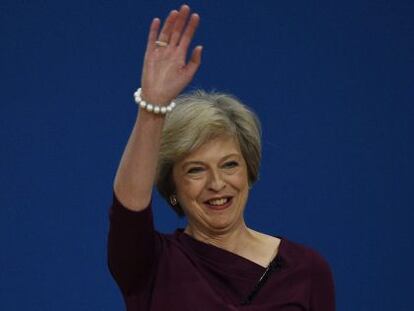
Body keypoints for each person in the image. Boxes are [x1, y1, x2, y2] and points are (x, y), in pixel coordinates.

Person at [108, 5, 335, 310]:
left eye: (229, 165)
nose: (217, 183)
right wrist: (152, 107)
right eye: (195, 170)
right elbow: (128, 210)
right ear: (172, 188)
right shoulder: (149, 265)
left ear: (248, 172)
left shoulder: (307, 270)